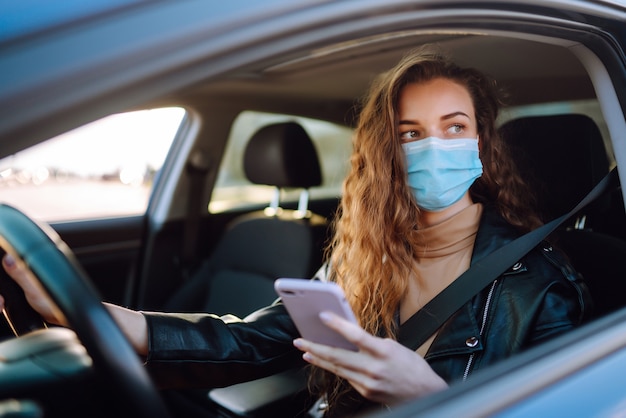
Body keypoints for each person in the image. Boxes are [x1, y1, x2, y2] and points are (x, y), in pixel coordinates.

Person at [0, 46, 590, 417]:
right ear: (389, 149)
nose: (433, 146)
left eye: (453, 127)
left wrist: (430, 399)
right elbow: (252, 342)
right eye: (410, 133)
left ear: (481, 144)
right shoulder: (364, 253)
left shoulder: (540, 283)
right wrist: (92, 315)